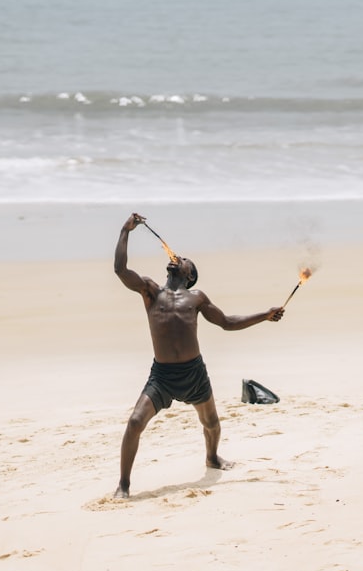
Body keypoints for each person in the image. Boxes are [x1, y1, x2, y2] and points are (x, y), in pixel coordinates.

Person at [113, 212, 284, 498]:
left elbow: (227, 322)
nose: (176, 258)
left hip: (194, 373)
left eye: (184, 261)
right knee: (134, 423)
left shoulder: (197, 297)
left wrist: (263, 316)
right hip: (163, 376)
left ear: (189, 275)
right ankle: (124, 485)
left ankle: (213, 458)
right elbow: (120, 270)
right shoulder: (150, 290)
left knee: (212, 424)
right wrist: (125, 230)